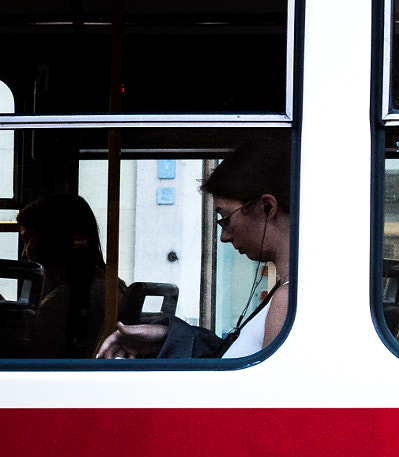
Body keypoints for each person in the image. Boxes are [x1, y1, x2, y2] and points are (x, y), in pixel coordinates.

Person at [97, 139, 292, 359]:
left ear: (267, 207)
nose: (223, 237)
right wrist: (167, 336)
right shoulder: (285, 292)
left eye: (225, 219)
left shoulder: (286, 302)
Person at [16, 192, 122, 358]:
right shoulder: (110, 285)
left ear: (49, 238)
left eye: (27, 240)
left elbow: (30, 357)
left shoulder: (64, 301)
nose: (24, 252)